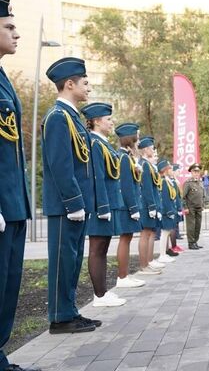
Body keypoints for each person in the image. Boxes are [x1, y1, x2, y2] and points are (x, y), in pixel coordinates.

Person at [42, 57, 102, 334]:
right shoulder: (57, 118)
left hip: (76, 205)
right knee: (62, 262)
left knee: (72, 261)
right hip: (66, 206)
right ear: (69, 84)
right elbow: (60, 164)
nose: (88, 87)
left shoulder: (71, 118)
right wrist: (73, 202)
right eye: (85, 83)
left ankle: (69, 312)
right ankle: (59, 318)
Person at [0, 0, 40, 371]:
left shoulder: (2, 77)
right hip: (0, 202)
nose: (17, 34)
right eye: (9, 27)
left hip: (11, 202)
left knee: (8, 284)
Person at [81, 102, 127, 307]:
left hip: (107, 202)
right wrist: (102, 206)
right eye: (108, 119)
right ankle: (99, 296)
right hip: (101, 205)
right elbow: (97, 177)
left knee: (103, 248)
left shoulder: (103, 143)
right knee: (97, 248)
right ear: (97, 121)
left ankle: (103, 292)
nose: (112, 122)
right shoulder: (94, 143)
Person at [113, 123, 146, 288]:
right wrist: (133, 208)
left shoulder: (127, 156)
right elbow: (126, 186)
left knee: (128, 238)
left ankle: (125, 275)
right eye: (137, 137)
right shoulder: (124, 158)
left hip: (128, 206)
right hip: (126, 207)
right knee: (125, 239)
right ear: (130, 138)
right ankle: (122, 277)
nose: (138, 140)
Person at [136, 136, 163, 274]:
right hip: (146, 205)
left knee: (148, 234)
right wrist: (152, 206)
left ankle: (148, 262)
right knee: (145, 234)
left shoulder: (147, 164)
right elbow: (146, 188)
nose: (153, 150)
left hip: (149, 204)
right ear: (146, 149)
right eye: (152, 147)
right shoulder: (144, 164)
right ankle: (144, 265)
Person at [157, 159, 179, 262]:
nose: (171, 170)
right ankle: (162, 254)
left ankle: (164, 253)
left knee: (166, 233)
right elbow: (165, 198)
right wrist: (169, 211)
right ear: (165, 170)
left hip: (169, 210)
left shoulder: (167, 180)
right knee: (164, 233)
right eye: (169, 168)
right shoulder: (164, 181)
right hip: (166, 211)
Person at [182, 164, 205, 249]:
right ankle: (191, 243)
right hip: (191, 208)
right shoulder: (188, 183)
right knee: (191, 226)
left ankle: (195, 241)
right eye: (194, 172)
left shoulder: (200, 183)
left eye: (198, 172)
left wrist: (202, 204)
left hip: (199, 207)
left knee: (197, 226)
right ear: (191, 172)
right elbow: (183, 197)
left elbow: (202, 195)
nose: (196, 173)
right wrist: (185, 207)